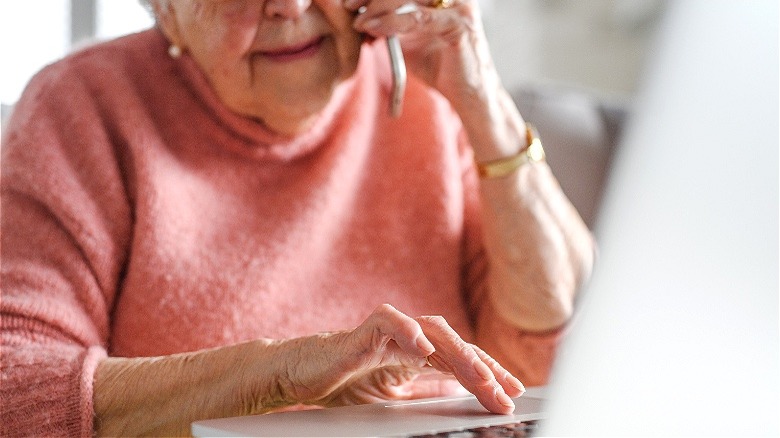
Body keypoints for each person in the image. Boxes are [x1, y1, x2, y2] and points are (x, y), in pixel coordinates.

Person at [0, 0, 595, 436]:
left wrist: (484, 105)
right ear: (164, 11)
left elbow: (545, 365)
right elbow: (19, 389)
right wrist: (280, 378)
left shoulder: (427, 94)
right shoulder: (82, 108)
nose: (288, 6)